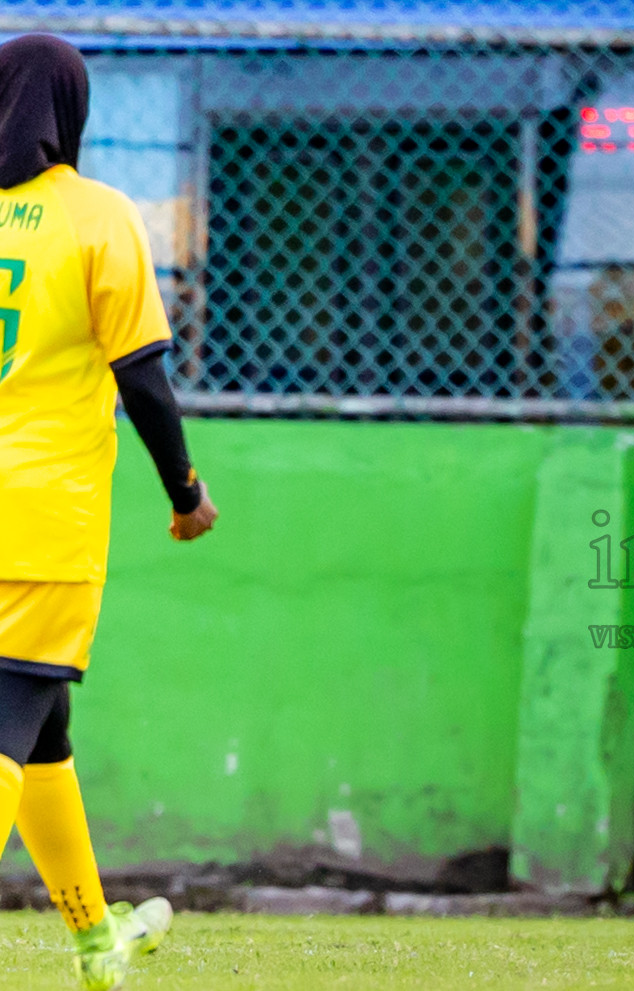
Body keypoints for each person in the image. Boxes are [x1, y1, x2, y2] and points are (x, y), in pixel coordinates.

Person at [0, 34, 218, 991]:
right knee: (9, 718)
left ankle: (98, 942)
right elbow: (144, 377)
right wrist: (186, 492)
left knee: (43, 732)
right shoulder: (98, 216)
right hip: (42, 519)